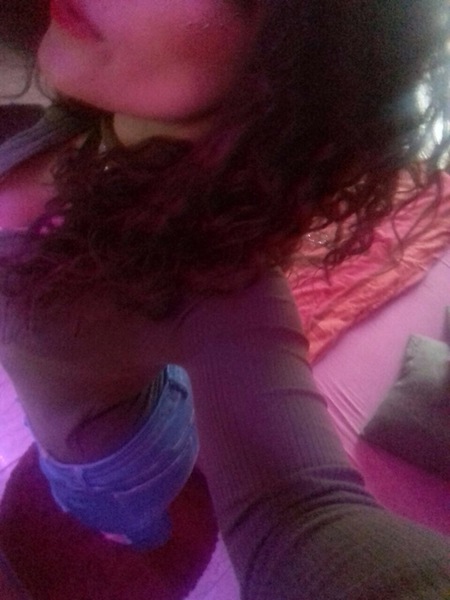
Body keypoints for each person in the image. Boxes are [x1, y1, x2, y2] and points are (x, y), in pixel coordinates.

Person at [0, 0, 449, 598]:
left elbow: (299, 509)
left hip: (115, 467)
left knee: (121, 521)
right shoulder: (87, 114)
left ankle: (140, 533)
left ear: (290, 65)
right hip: (129, 397)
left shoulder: (214, 280)